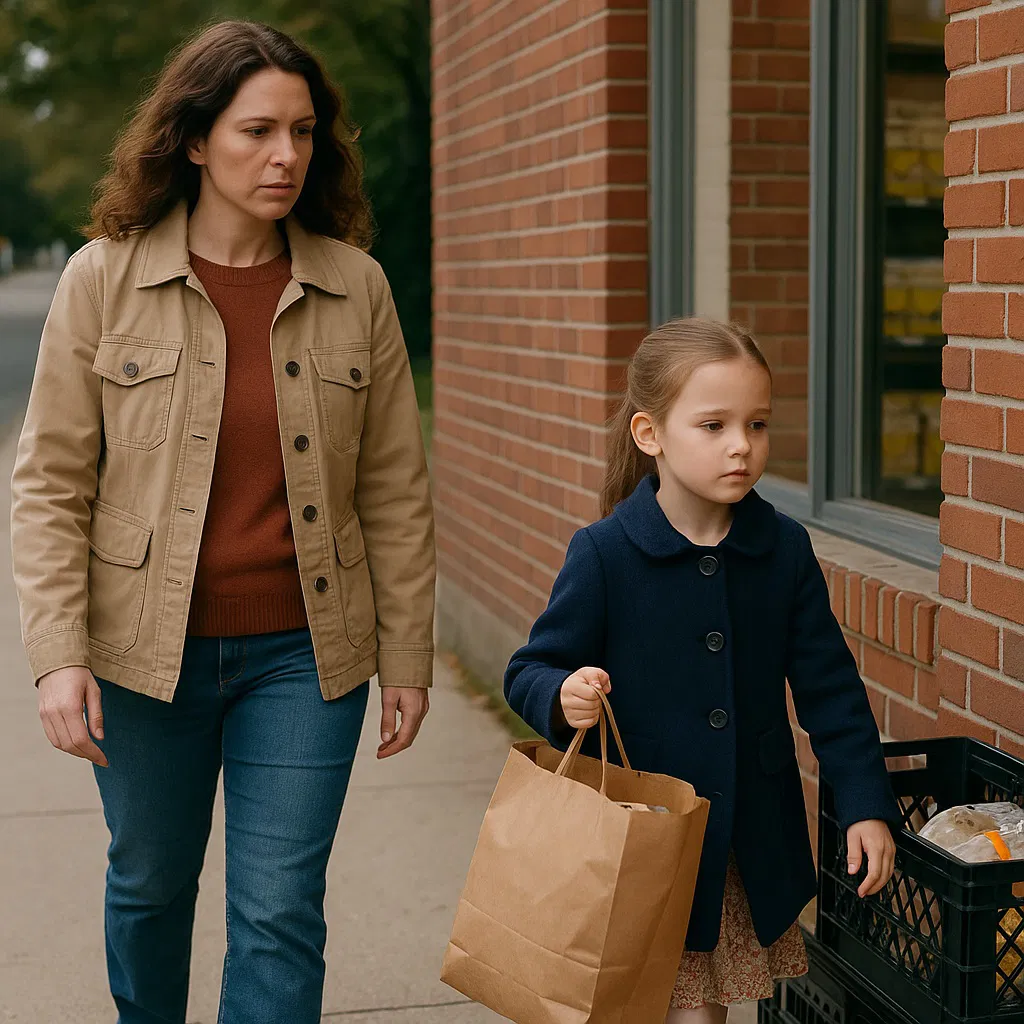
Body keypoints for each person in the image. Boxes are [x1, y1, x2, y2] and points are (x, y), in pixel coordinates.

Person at [10, 20, 435, 1024]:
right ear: (195, 140)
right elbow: (50, 481)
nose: (286, 155)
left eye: (303, 131)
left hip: (303, 656)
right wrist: (56, 653)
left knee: (280, 912)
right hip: (140, 653)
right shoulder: (101, 279)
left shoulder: (355, 286)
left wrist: (406, 654)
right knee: (149, 891)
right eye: (256, 131)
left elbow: (394, 489)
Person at [503, 317, 900, 1023]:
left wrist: (866, 805)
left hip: (741, 840)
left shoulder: (781, 549)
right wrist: (561, 694)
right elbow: (532, 665)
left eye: (756, 423)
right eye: (713, 425)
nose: (741, 446)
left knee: (700, 1010)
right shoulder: (605, 554)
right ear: (650, 435)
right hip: (638, 838)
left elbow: (831, 692)